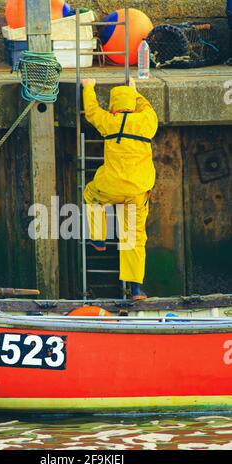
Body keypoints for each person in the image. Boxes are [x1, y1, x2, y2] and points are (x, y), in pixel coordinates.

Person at [82, 78, 158, 301]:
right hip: (137, 189)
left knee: (90, 195)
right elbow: (148, 107)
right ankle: (135, 290)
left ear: (114, 105)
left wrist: (88, 87)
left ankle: (98, 239)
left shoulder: (109, 121)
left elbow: (91, 111)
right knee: (134, 238)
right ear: (132, 103)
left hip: (111, 185)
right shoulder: (146, 121)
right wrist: (135, 92)